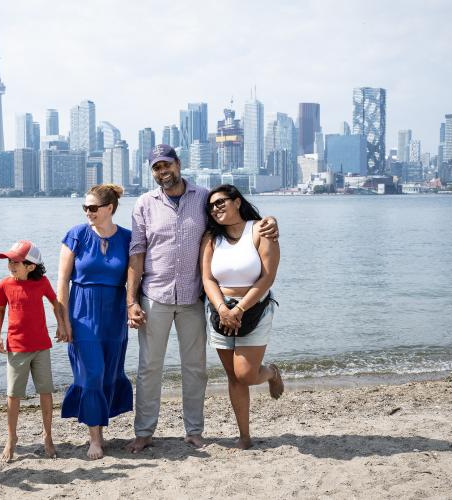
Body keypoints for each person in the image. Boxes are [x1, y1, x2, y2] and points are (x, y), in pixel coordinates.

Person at [125, 145, 279, 453]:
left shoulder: (205, 199)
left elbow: (238, 223)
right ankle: (144, 432)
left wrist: (270, 221)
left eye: (166, 164)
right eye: (156, 167)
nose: (162, 171)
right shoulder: (144, 204)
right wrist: (131, 300)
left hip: (194, 299)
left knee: (194, 367)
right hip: (155, 295)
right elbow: (136, 254)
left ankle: (194, 431)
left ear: (178, 164)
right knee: (149, 367)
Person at [200, 184, 284, 449]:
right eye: (211, 206)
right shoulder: (211, 238)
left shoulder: (260, 230)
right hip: (219, 311)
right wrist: (223, 309)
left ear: (237, 202)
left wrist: (239, 309)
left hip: (254, 309)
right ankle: (244, 436)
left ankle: (270, 373)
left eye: (221, 202)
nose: (216, 208)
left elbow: (267, 277)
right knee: (233, 377)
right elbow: (207, 278)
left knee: (246, 374)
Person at [57, 183, 134, 459]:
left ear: (109, 208)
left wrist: (133, 307)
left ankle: (101, 427)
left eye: (92, 208)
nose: (87, 212)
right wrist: (62, 319)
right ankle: (95, 439)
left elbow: (136, 277)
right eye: (85, 208)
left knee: (108, 375)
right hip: (81, 313)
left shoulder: (127, 237)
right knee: (91, 374)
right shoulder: (76, 235)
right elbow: (62, 281)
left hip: (114, 314)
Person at [0, 241, 63, 461]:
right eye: (9, 261)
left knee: (46, 391)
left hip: (41, 346)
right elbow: (0, 310)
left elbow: (54, 302)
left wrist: (60, 324)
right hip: (17, 348)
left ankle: (48, 435)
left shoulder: (41, 282)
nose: (11, 265)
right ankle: (11, 437)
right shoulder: (5, 285)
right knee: (13, 395)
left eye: (16, 261)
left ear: (31, 266)